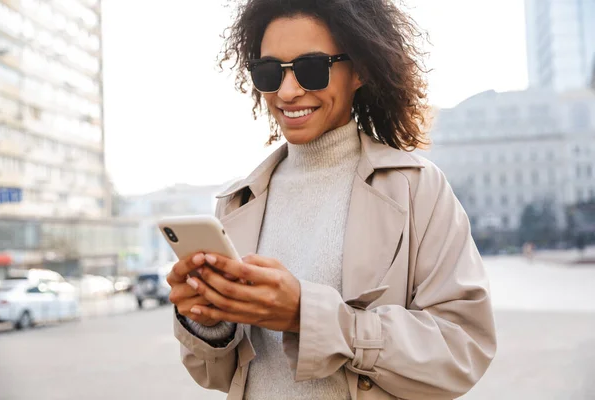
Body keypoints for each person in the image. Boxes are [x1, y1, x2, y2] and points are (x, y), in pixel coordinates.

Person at [166, 0, 497, 399]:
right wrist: (207, 321)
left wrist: (306, 315)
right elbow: (219, 377)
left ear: (359, 69)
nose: (287, 91)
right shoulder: (238, 203)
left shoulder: (416, 189)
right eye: (269, 72)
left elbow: (462, 351)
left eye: (311, 68)